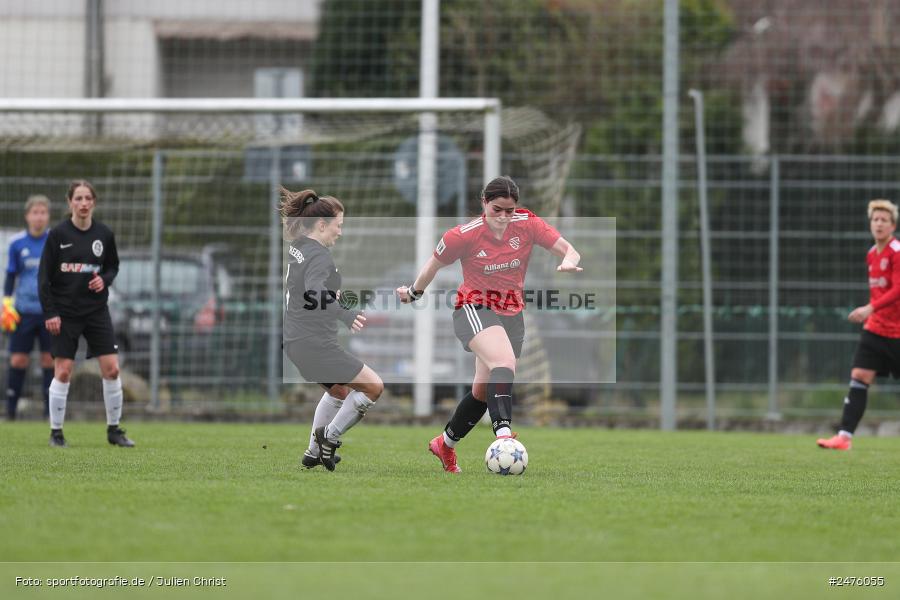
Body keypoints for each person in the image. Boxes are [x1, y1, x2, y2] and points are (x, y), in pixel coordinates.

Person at [397, 175, 582, 473]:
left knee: (483, 391)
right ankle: (504, 436)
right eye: (497, 209)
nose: (504, 217)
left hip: (512, 314)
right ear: (484, 203)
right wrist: (413, 292)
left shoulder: (527, 223)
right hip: (473, 307)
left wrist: (570, 260)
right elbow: (433, 265)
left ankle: (444, 445)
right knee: (504, 362)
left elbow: (567, 248)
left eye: (510, 210)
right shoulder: (463, 235)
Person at [280, 187, 383, 471]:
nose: (340, 232)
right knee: (374, 387)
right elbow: (314, 291)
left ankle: (313, 452)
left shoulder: (299, 246)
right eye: (338, 226)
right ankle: (329, 437)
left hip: (295, 342)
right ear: (322, 225)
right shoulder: (319, 255)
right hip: (315, 344)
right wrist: (345, 315)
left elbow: (308, 289)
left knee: (339, 391)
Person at [38, 180, 133, 448]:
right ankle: (56, 433)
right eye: (77, 198)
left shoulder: (104, 234)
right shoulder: (57, 235)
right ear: (69, 203)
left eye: (87, 198)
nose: (82, 203)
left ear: (94, 202)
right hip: (65, 313)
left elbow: (112, 266)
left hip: (96, 311)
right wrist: (51, 312)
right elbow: (43, 278)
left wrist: (104, 280)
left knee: (112, 369)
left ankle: (114, 430)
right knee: (64, 371)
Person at [818, 199, 900, 451]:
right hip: (875, 329)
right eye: (875, 219)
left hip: (897, 332)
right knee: (859, 376)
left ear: (893, 225)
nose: (878, 224)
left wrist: (869, 308)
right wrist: (872, 312)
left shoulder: (896, 251)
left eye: (884, 220)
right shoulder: (871, 254)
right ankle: (844, 437)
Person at [3, 195, 53, 420]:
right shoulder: (16, 243)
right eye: (35, 212)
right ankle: (11, 411)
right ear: (27, 216)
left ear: (48, 216)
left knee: (49, 360)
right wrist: (6, 303)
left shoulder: (54, 241)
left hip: (49, 312)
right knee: (18, 359)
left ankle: (50, 412)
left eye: (43, 212)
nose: (39, 217)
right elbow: (11, 275)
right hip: (23, 310)